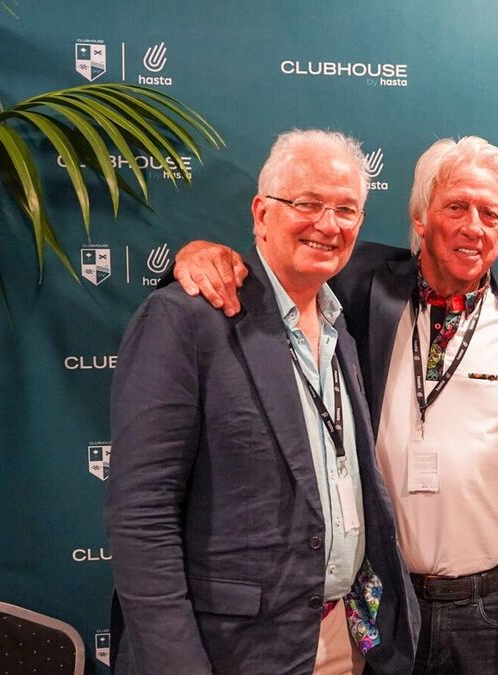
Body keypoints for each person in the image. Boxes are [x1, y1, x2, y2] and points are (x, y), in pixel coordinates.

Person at [171, 135, 498, 674]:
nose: (474, 227)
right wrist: (202, 255)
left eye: (490, 214)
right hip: (380, 595)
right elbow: (275, 267)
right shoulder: (361, 284)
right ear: (420, 218)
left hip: (493, 604)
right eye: (456, 207)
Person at [105, 129, 418, 675]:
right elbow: (141, 517)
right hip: (229, 651)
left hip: (337, 639)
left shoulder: (339, 329)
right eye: (307, 203)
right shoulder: (185, 320)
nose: (328, 224)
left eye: (346, 209)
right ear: (261, 212)